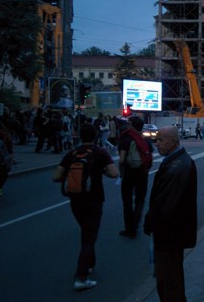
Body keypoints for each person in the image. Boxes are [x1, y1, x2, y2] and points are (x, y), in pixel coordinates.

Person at [143, 126, 197, 302]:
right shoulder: (179, 161)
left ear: (173, 141)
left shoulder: (178, 166)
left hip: (170, 230)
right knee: (174, 274)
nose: (157, 144)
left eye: (161, 140)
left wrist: (152, 223)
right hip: (176, 230)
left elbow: (166, 203)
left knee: (168, 278)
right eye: (156, 140)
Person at [52, 123, 118, 291]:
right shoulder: (100, 153)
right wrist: (100, 171)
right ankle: (81, 277)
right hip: (94, 199)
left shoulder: (72, 153)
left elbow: (57, 177)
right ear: (96, 136)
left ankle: (90, 264)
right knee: (89, 236)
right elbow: (114, 173)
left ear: (80, 136)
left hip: (75, 200)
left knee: (86, 232)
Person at [118, 116, 152, 239]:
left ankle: (129, 228)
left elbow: (121, 159)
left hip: (129, 172)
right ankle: (136, 223)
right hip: (142, 172)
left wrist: (120, 170)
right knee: (140, 200)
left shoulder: (126, 137)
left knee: (127, 201)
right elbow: (150, 152)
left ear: (131, 125)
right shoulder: (143, 138)